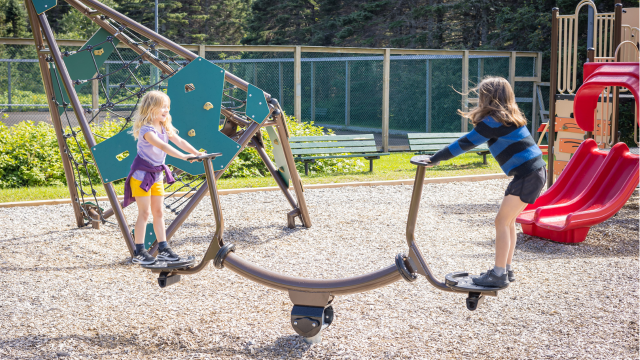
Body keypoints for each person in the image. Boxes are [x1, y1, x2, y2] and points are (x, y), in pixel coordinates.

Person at [424, 77, 546, 288]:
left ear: (487, 97)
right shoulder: (508, 118)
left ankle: (498, 274)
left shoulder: (493, 122)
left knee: (502, 221)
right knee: (507, 222)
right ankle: (506, 270)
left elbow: (463, 144)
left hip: (528, 175)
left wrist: (435, 158)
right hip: (532, 173)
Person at [123, 90, 205, 265]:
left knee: (159, 212)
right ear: (150, 108)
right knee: (144, 213)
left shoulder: (165, 127)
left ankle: (163, 249)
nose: (166, 110)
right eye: (162, 107)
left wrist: (195, 153)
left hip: (157, 176)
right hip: (141, 177)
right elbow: (162, 146)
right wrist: (183, 157)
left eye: (168, 107)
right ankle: (139, 251)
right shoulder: (147, 130)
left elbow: (179, 141)